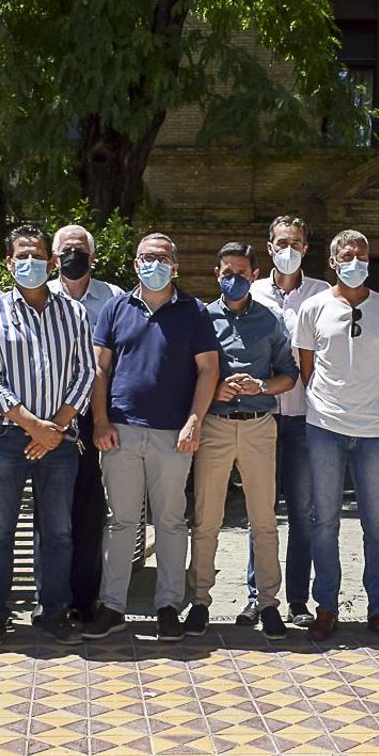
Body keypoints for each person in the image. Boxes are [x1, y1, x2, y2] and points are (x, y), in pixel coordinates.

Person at [81, 233, 220, 642]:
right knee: (122, 522)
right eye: (145, 257)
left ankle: (167, 607)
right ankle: (113, 606)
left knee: (171, 523)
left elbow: (209, 370)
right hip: (120, 431)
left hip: (173, 435)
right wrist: (100, 421)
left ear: (175, 265)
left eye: (160, 257)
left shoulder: (193, 311)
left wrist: (195, 420)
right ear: (134, 263)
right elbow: (99, 369)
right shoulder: (115, 307)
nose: (152, 264)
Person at [0, 225, 96, 647]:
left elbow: (85, 373)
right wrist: (32, 425)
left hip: (59, 442)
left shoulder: (75, 313)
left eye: (37, 256)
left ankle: (54, 613)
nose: (30, 263)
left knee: (57, 530)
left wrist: (54, 427)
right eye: (21, 256)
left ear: (52, 262)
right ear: (8, 263)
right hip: (5, 439)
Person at [295, 230, 379, 643]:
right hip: (324, 427)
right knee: (325, 522)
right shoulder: (314, 308)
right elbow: (308, 366)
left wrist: (369, 399)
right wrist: (331, 402)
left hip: (373, 429)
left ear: (369, 259)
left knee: (377, 523)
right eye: (347, 255)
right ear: (333, 261)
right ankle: (326, 607)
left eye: (361, 254)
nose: (355, 261)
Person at [187, 243, 298, 640]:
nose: (233, 278)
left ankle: (268, 603)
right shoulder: (201, 317)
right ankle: (199, 601)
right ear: (216, 274)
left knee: (264, 521)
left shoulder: (269, 321)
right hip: (215, 426)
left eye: (241, 272)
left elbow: (290, 374)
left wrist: (262, 385)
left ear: (254, 275)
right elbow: (188, 372)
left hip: (258, 426)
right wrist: (214, 389)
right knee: (206, 519)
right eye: (226, 271)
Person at [252, 215, 331, 627]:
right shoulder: (252, 293)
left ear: (306, 248)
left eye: (296, 243)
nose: (289, 249)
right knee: (260, 510)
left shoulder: (322, 294)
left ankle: (299, 599)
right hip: (260, 418)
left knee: (303, 511)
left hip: (305, 418)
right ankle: (258, 595)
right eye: (282, 242)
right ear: (269, 247)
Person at [48, 223, 125, 620]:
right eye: (65, 250)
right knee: (51, 515)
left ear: (93, 258)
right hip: (48, 420)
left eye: (79, 250)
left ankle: (85, 598)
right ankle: (53, 599)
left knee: (91, 510)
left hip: (96, 420)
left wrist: (101, 418)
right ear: (54, 256)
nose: (72, 256)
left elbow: (110, 364)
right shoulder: (39, 296)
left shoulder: (114, 299)